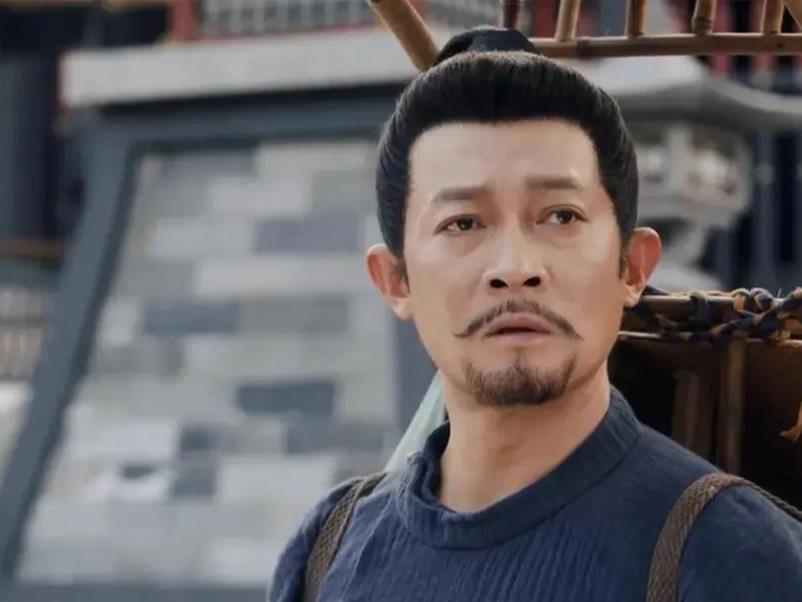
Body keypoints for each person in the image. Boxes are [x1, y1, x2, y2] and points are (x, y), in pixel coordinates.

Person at [268, 27, 802, 602]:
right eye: (463, 223)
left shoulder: (727, 553)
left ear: (632, 266)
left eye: (560, 216)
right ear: (395, 281)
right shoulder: (330, 549)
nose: (515, 267)